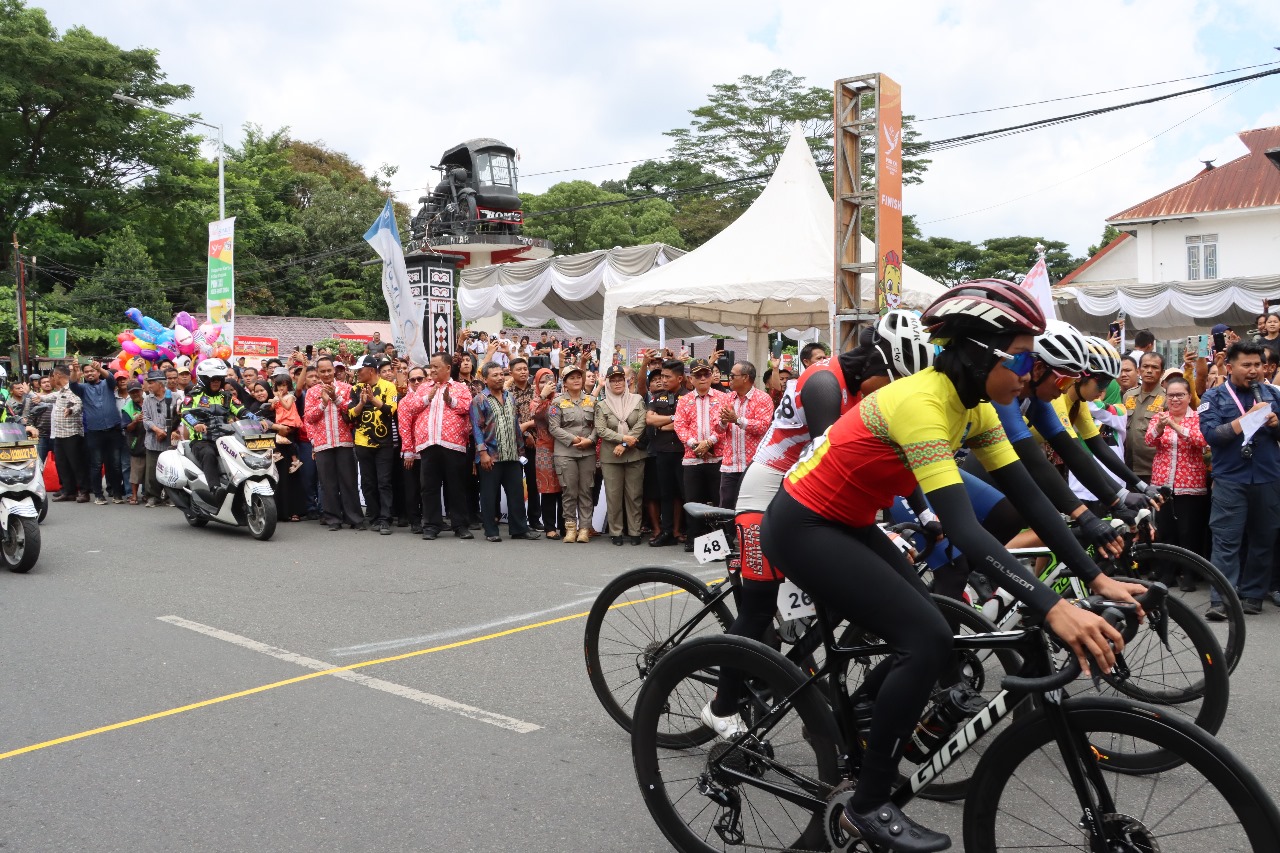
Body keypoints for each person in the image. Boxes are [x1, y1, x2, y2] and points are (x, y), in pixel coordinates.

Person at [760, 280, 1142, 851]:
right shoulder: (923, 403)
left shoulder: (977, 405)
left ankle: (865, 719)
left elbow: (1031, 496)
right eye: (1021, 357)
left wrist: (1096, 575)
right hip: (803, 523)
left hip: (851, 520)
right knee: (928, 637)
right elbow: (963, 530)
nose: (1028, 372)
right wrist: (1053, 606)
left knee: (930, 617)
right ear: (980, 354)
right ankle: (867, 804)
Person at [1199, 340, 1280, 617]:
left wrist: (1276, 424)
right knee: (1226, 540)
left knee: (1264, 538)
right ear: (1231, 367)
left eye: (1257, 364)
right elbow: (1212, 436)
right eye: (1247, 365)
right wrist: (1246, 419)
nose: (1253, 370)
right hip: (1231, 479)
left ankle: (1253, 595)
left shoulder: (1272, 394)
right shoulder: (1214, 397)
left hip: (1268, 478)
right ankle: (1220, 599)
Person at [398, 352, 474, 540]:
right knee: (429, 487)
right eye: (430, 367)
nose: (431, 370)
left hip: (453, 444)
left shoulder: (460, 388)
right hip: (428, 444)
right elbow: (411, 407)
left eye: (436, 367)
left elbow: (467, 408)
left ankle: (460, 525)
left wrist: (450, 400)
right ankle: (431, 525)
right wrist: (427, 398)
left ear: (448, 368)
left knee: (456, 486)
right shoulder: (424, 388)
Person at [1144, 375, 1209, 588]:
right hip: (1163, 483)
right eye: (1171, 395)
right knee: (1166, 530)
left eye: (1180, 395)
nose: (1175, 399)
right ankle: (1167, 574)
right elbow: (1149, 440)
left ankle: (1189, 575)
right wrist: (1162, 427)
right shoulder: (1159, 417)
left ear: (1189, 397)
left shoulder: (1198, 418)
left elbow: (1201, 441)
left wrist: (1176, 425)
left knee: (1188, 531)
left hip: (1190, 483)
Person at [471, 361, 539, 542]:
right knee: (488, 495)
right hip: (491, 457)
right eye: (495, 375)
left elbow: (516, 426)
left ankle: (519, 529)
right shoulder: (479, 400)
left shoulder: (510, 397)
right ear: (485, 379)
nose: (500, 377)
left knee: (516, 494)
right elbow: (477, 430)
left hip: (512, 455)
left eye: (502, 374)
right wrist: (482, 453)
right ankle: (491, 531)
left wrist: (521, 452)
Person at [303, 356, 364, 531]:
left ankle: (354, 518)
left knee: (349, 481)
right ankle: (332, 519)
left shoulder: (346, 388)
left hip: (344, 441)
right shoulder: (313, 392)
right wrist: (323, 402)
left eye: (329, 370)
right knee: (327, 483)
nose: (326, 374)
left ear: (334, 370)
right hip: (323, 443)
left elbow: (351, 412)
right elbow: (309, 417)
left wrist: (335, 398)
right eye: (322, 371)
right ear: (318, 372)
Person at [672, 358, 727, 552]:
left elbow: (724, 424)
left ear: (712, 376)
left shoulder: (723, 398)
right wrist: (695, 444)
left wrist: (710, 441)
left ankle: (718, 542)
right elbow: (679, 425)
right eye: (698, 375)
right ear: (691, 379)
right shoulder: (684, 400)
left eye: (706, 374)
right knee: (693, 500)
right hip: (692, 457)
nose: (703, 378)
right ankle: (694, 538)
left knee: (717, 500)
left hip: (717, 456)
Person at [178, 358, 245, 504]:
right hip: (202, 440)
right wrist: (195, 423)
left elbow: (241, 411)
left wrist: (259, 420)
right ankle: (215, 489)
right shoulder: (194, 396)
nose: (216, 382)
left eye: (219, 379)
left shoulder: (226, 396)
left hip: (226, 439)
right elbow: (185, 413)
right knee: (208, 454)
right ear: (203, 380)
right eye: (213, 379)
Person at [347, 355, 399, 534]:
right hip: (362, 442)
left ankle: (385, 519)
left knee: (384, 482)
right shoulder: (355, 389)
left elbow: (391, 411)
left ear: (370, 370)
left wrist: (373, 399)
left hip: (384, 443)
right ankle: (375, 517)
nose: (357, 374)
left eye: (359, 370)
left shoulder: (389, 386)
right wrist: (362, 402)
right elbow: (350, 415)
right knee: (368, 483)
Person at [597, 363, 647, 545]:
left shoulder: (637, 400)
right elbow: (601, 430)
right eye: (613, 380)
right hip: (611, 456)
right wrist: (622, 438)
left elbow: (641, 425)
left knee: (634, 495)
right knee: (613, 495)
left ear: (626, 381)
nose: (617, 383)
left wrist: (625, 444)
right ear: (608, 383)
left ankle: (635, 531)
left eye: (620, 379)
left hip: (634, 454)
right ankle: (616, 532)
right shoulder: (602, 405)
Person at [548, 363, 597, 543]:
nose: (576, 380)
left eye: (578, 377)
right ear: (565, 383)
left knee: (586, 491)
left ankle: (584, 528)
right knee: (569, 491)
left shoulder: (592, 400)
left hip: (587, 452)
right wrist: (574, 439)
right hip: (565, 452)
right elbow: (553, 427)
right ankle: (570, 527)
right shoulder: (557, 402)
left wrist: (590, 440)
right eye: (572, 378)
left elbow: (598, 425)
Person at [716, 360, 772, 512]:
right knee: (726, 505)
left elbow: (762, 427)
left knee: (752, 507)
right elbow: (718, 429)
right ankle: (729, 535)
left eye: (733, 376)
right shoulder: (726, 398)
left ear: (746, 377)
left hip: (753, 465)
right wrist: (722, 421)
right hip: (730, 464)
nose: (729, 379)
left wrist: (737, 420)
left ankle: (748, 535)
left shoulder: (763, 398)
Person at [69, 360, 126, 504]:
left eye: (92, 371)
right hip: (94, 432)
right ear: (83, 374)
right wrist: (74, 371)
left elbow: (111, 378)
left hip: (113, 430)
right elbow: (72, 384)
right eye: (86, 372)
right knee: (96, 465)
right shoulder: (82, 389)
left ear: (97, 372)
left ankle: (117, 494)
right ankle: (98, 495)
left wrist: (99, 368)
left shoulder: (107, 385)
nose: (89, 373)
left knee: (115, 464)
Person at [646, 359, 686, 547]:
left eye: (667, 377)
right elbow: (650, 420)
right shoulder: (657, 397)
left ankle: (684, 532)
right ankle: (667, 531)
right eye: (661, 376)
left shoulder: (689, 396)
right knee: (666, 493)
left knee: (684, 494)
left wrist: (668, 424)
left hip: (683, 452)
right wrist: (672, 418)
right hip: (662, 451)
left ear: (680, 378)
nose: (663, 380)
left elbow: (685, 424)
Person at [529, 367, 564, 538]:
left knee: (565, 487)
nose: (546, 384)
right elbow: (532, 414)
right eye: (542, 381)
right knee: (548, 488)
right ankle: (550, 527)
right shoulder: (536, 399)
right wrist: (543, 395)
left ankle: (566, 526)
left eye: (549, 381)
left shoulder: (561, 398)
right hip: (544, 448)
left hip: (564, 445)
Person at [507, 357, 541, 530]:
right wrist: (526, 433)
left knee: (534, 483)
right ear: (511, 372)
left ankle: (535, 518)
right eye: (519, 369)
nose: (523, 372)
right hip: (515, 444)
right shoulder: (507, 393)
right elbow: (510, 419)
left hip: (537, 443)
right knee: (516, 484)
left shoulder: (535, 390)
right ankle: (518, 520)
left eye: (525, 369)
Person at [1123, 351, 1165, 481]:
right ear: (1138, 370)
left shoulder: (1167, 397)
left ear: (1162, 372)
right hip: (1127, 465)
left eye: (1154, 367)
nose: (1149, 371)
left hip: (1153, 467)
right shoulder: (1128, 395)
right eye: (1145, 367)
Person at [140, 370, 169, 507]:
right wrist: (157, 430)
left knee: (170, 469)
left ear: (160, 384)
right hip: (152, 440)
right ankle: (153, 496)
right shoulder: (147, 399)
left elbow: (178, 417)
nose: (149, 386)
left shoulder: (173, 397)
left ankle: (170, 496)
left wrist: (165, 431)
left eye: (151, 383)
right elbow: (145, 418)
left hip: (169, 440)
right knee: (151, 471)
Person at [121, 380, 148, 504]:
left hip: (151, 440)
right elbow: (127, 428)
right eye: (132, 392)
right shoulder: (127, 408)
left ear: (142, 390)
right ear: (129, 394)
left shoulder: (149, 401)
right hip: (136, 442)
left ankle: (148, 494)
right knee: (136, 470)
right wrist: (136, 421)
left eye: (137, 391)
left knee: (150, 470)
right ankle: (133, 496)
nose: (135, 394)